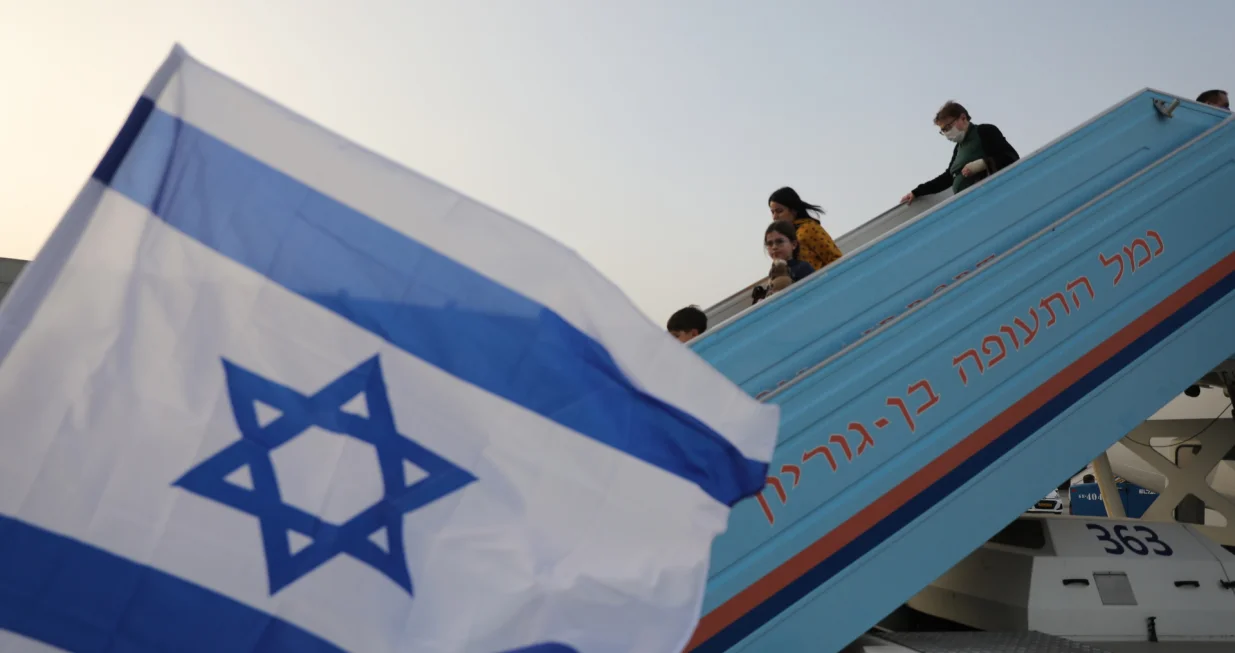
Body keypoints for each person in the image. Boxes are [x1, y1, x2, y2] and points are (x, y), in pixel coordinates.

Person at [900, 100, 1020, 205]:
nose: (947, 133)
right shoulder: (958, 148)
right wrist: (917, 192)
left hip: (988, 198)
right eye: (943, 131)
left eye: (948, 127)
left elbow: (1011, 157)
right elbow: (948, 178)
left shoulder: (985, 131)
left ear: (963, 118)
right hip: (968, 204)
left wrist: (983, 164)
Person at [767, 186, 842, 271]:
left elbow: (836, 259)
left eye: (779, 211)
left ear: (793, 210)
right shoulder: (785, 236)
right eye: (772, 212)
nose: (775, 217)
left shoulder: (808, 229)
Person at [751, 221, 816, 304]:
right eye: (770, 244)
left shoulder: (803, 268)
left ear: (794, 244)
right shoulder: (773, 274)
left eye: (779, 242)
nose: (774, 247)